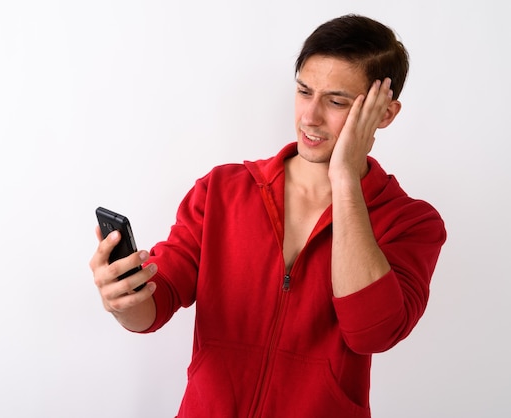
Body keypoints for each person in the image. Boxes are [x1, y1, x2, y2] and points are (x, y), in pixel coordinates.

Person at [90, 14, 446, 418]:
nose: (309, 117)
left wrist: (345, 178)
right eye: (304, 91)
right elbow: (156, 304)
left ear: (384, 114)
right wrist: (123, 300)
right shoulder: (222, 190)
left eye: (336, 101)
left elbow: (373, 332)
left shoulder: (412, 222)